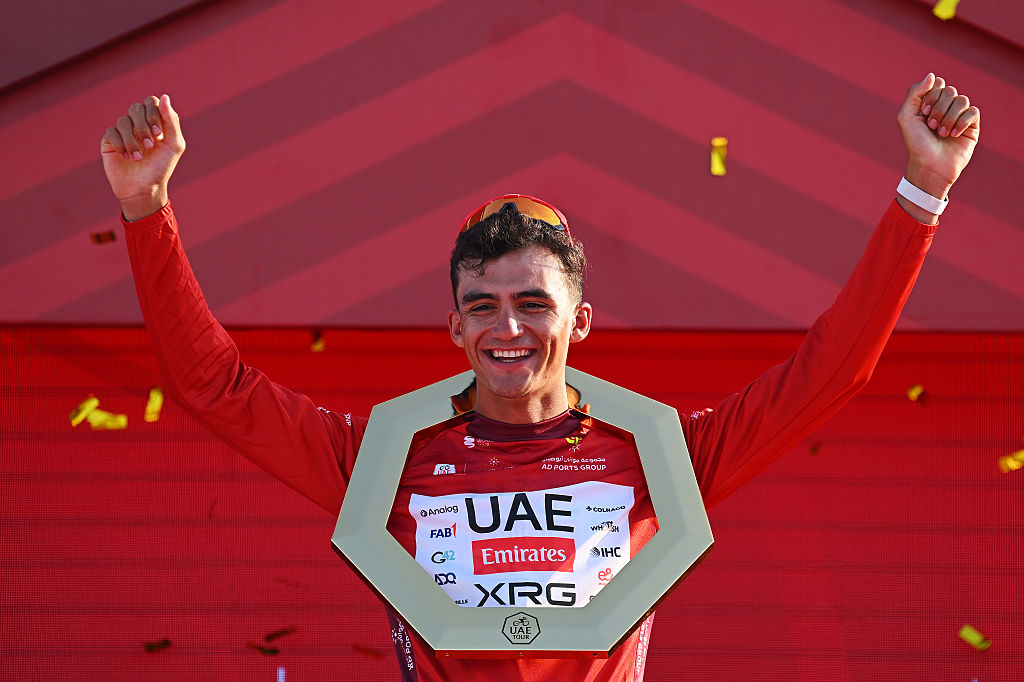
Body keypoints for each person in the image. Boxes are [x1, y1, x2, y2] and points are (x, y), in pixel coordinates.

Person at [100, 74, 980, 681]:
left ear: (580, 321)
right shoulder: (381, 461)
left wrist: (924, 192)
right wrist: (146, 208)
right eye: (481, 306)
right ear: (453, 326)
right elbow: (213, 385)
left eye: (533, 302)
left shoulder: (661, 457)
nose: (508, 327)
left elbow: (829, 374)